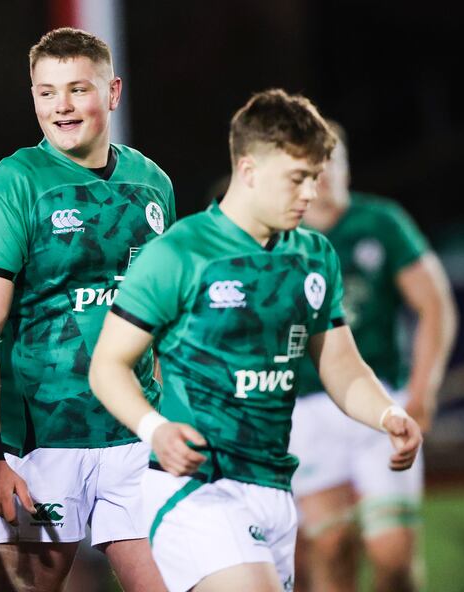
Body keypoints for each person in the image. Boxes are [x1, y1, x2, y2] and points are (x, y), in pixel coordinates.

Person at [88, 89, 424, 592]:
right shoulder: (179, 253)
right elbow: (108, 365)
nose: (311, 193)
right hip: (196, 488)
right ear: (248, 170)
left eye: (314, 177)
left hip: (272, 490)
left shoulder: (314, 256)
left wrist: (386, 413)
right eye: (297, 179)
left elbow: (341, 365)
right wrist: (154, 428)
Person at [0, 27, 174, 592]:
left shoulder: (153, 184)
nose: (62, 107)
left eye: (78, 89)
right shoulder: (11, 186)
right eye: (47, 92)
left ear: (114, 91)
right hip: (39, 447)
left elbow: (162, 322)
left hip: (134, 438)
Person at [288, 123, 457, 592]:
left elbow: (435, 304)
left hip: (379, 402)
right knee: (330, 545)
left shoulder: (380, 222)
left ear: (346, 164)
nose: (322, 173)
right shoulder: (276, 233)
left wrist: (423, 392)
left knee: (394, 553)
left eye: (330, 160)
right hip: (306, 409)